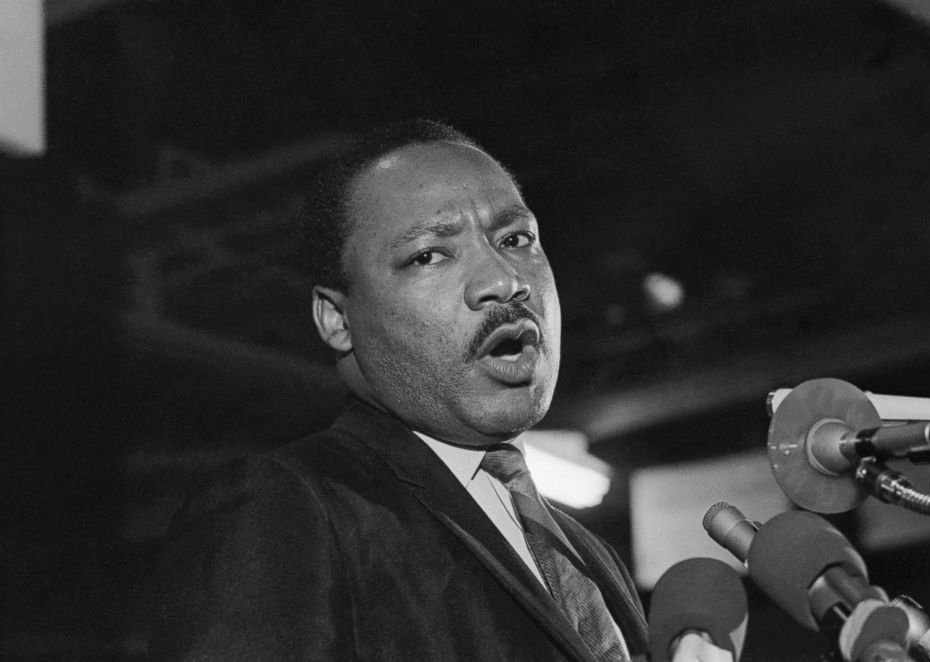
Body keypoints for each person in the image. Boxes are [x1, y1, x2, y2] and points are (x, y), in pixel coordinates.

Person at [151, 120, 728, 661]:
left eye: (517, 237)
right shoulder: (286, 505)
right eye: (429, 254)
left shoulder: (587, 555)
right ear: (337, 319)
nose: (505, 280)